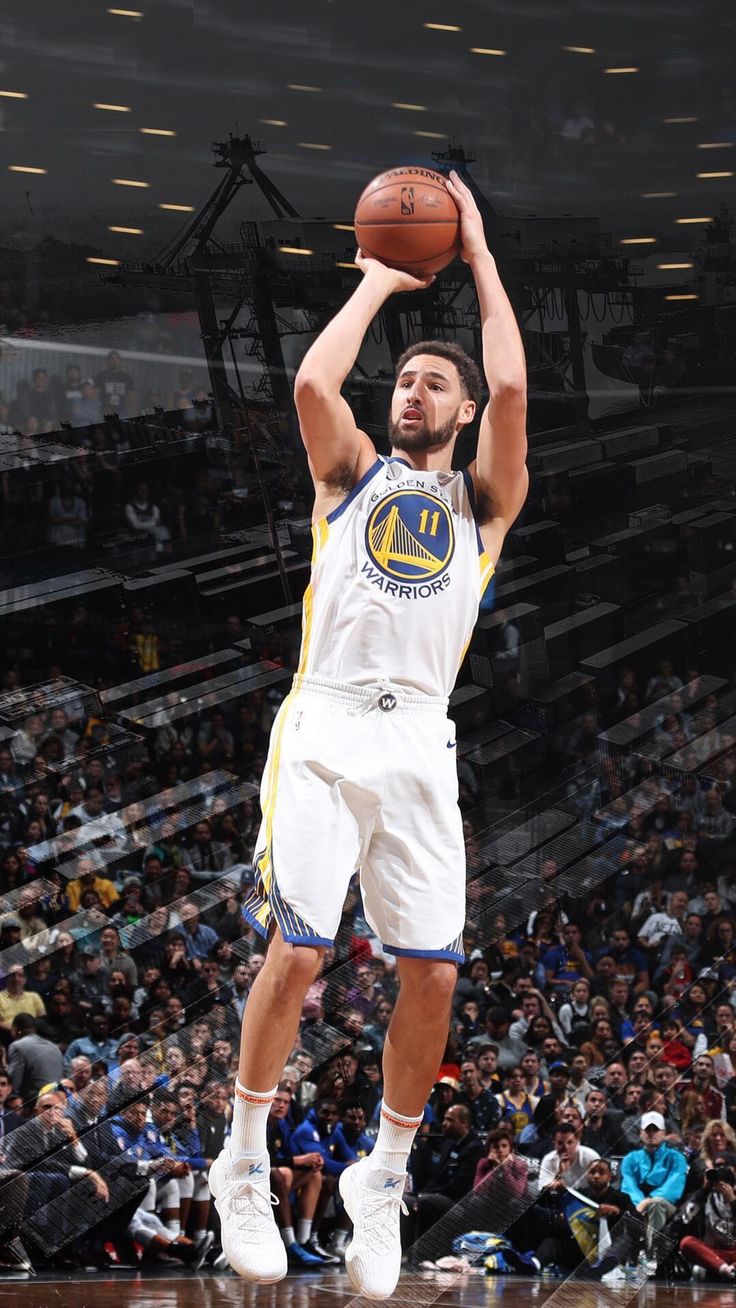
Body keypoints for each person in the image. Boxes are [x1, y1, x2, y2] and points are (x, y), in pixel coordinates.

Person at [207, 171, 528, 1299]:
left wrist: (477, 257)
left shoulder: (482, 503)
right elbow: (307, 380)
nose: (412, 389)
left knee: (432, 978)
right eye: (403, 377)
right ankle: (242, 1159)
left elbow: (514, 379)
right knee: (298, 949)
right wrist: (380, 286)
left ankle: (379, 1181)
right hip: (328, 721)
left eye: (433, 381)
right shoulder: (349, 476)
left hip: (419, 745)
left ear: (462, 411)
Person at [619, 1110, 688, 1264]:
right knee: (622, 1209)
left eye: (655, 1130)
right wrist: (639, 1204)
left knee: (656, 1204)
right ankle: (619, 1260)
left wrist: (648, 1201)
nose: (651, 1134)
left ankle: (651, 1256)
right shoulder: (631, 1158)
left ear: (663, 1133)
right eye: (647, 1130)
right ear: (641, 1133)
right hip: (637, 1205)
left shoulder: (676, 1157)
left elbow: (674, 1186)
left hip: (667, 1206)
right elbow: (628, 1185)